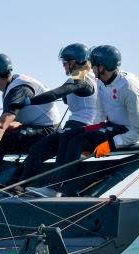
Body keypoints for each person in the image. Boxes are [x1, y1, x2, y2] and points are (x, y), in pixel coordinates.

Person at [50, 44, 139, 194]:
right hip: (109, 125)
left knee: (77, 142)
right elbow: (101, 115)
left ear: (101, 67)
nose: (89, 68)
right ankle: (53, 182)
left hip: (125, 131)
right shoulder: (100, 81)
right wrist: (91, 136)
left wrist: (110, 145)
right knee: (68, 135)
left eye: (92, 65)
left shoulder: (128, 89)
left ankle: (59, 188)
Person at [15, 43, 102, 183]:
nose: (63, 66)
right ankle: (20, 185)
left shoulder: (82, 78)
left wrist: (29, 102)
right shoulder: (87, 77)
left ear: (75, 62)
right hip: (74, 124)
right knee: (38, 148)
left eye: (65, 63)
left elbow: (56, 94)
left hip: (83, 127)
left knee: (60, 149)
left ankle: (56, 187)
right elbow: (70, 97)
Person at [0, 53, 60, 179]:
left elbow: (1, 127)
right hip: (38, 127)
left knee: (0, 139)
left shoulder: (17, 91)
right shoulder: (13, 84)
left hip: (48, 132)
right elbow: (15, 122)